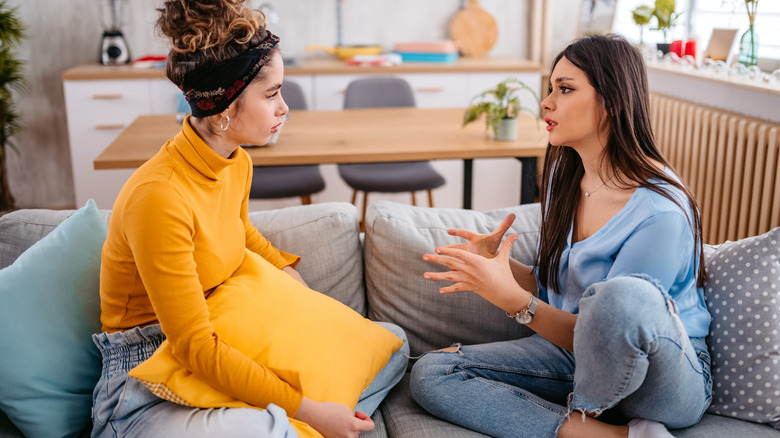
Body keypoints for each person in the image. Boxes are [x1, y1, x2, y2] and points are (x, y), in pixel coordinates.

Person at [90, 1, 408, 437]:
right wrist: (311, 410)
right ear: (225, 108)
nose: (284, 109)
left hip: (223, 331)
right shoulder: (159, 197)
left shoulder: (234, 161)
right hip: (146, 376)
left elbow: (238, 230)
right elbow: (195, 347)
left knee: (391, 342)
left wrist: (286, 273)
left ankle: (310, 419)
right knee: (269, 429)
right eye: (272, 93)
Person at [410, 34, 712, 438]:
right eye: (550, 88)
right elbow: (560, 290)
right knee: (433, 371)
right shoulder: (565, 177)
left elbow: (612, 330)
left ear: (613, 102)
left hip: (663, 378)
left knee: (620, 298)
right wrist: (499, 266)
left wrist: (514, 302)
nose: (546, 102)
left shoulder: (661, 212)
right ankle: (619, 435)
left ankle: (595, 414)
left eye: (565, 89)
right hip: (575, 360)